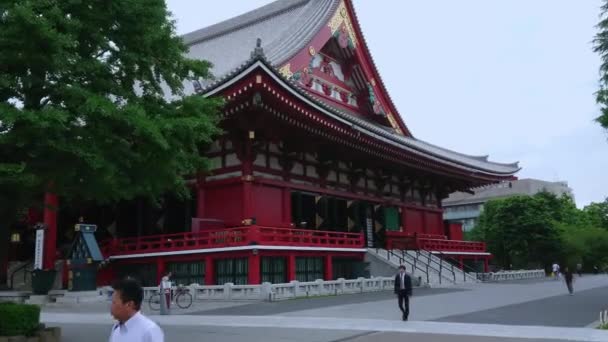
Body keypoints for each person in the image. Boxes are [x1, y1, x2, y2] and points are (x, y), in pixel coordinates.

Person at [109, 278, 164, 342]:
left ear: (129, 304)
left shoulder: (149, 331)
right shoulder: (116, 329)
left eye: (114, 302)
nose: (111, 307)